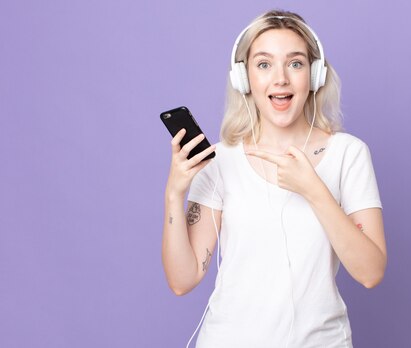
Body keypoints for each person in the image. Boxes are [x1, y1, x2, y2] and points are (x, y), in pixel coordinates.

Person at [162, 10, 387, 348]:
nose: (280, 78)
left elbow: (370, 273)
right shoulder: (221, 161)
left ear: (314, 75)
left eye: (295, 63)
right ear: (244, 78)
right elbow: (183, 280)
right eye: (264, 64)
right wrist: (173, 194)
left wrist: (314, 191)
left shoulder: (348, 154)